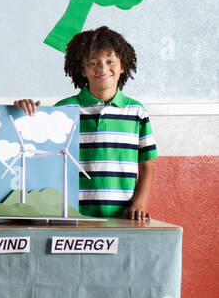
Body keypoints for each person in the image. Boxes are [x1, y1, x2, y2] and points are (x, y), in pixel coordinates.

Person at [15, 25, 156, 220]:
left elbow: (146, 165)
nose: (102, 68)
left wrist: (138, 204)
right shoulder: (64, 110)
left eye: (110, 61)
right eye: (93, 63)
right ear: (82, 70)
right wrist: (22, 112)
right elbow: (38, 152)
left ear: (122, 66)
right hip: (70, 214)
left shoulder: (137, 112)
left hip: (121, 216)